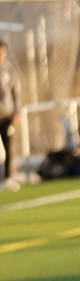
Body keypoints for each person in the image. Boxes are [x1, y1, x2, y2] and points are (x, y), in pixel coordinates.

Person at [0, 41, 19, 189]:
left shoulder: (9, 70)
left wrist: (17, 112)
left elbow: (16, 92)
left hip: (7, 115)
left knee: (9, 147)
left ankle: (9, 177)